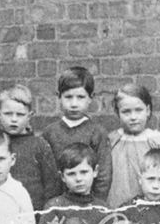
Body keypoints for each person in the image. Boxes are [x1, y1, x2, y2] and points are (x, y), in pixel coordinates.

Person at [42, 66, 111, 201]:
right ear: (59, 97)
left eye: (80, 97)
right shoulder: (50, 133)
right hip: (58, 203)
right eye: (68, 97)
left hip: (89, 202)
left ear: (91, 98)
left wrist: (96, 205)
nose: (74, 104)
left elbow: (103, 176)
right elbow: (48, 175)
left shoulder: (97, 133)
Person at [106, 84, 160, 208]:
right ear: (117, 113)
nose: (133, 117)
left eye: (138, 110)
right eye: (126, 112)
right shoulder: (111, 141)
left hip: (154, 207)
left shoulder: (159, 141)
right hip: (116, 206)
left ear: (148, 110)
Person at [0, 84, 61, 209]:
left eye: (20, 114)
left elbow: (52, 186)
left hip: (33, 212)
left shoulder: (39, 145)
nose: (14, 119)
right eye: (8, 114)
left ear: (29, 116)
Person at [42, 143, 109, 224]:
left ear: (95, 171)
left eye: (84, 172)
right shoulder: (54, 208)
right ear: (62, 177)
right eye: (71, 174)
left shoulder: (103, 209)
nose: (78, 179)